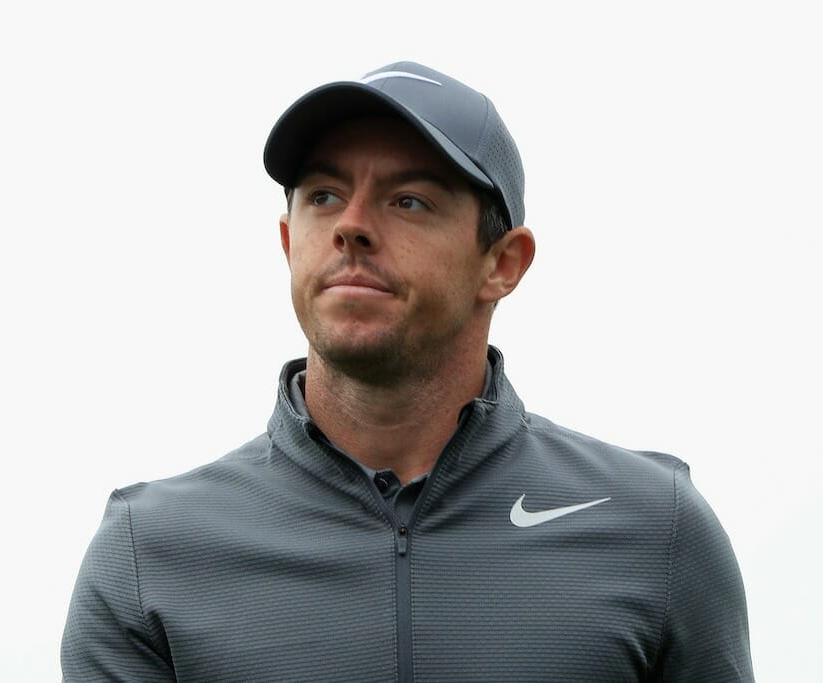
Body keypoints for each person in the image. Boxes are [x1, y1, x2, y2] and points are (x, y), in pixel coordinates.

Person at [61, 61, 753, 682]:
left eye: (409, 200)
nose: (351, 225)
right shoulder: (148, 556)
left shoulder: (655, 531)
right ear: (288, 243)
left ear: (502, 264)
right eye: (323, 195)